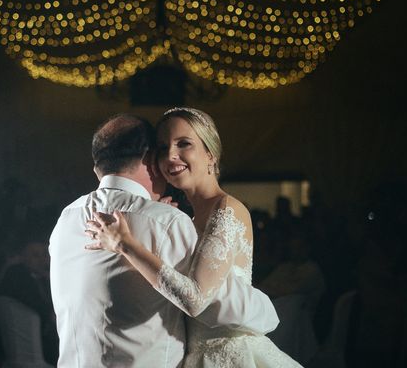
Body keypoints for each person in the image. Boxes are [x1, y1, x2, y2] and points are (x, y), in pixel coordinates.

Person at [50, 114, 279, 367]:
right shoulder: (169, 221)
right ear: (149, 158)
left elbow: (201, 299)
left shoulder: (66, 218)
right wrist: (266, 311)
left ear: (210, 153)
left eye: (184, 144)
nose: (170, 156)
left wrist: (128, 243)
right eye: (163, 148)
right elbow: (227, 304)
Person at [0, 237, 59, 365]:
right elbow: (36, 305)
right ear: (22, 257)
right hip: (37, 344)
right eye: (35, 255)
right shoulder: (16, 275)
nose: (42, 259)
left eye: (44, 254)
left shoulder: (42, 277)